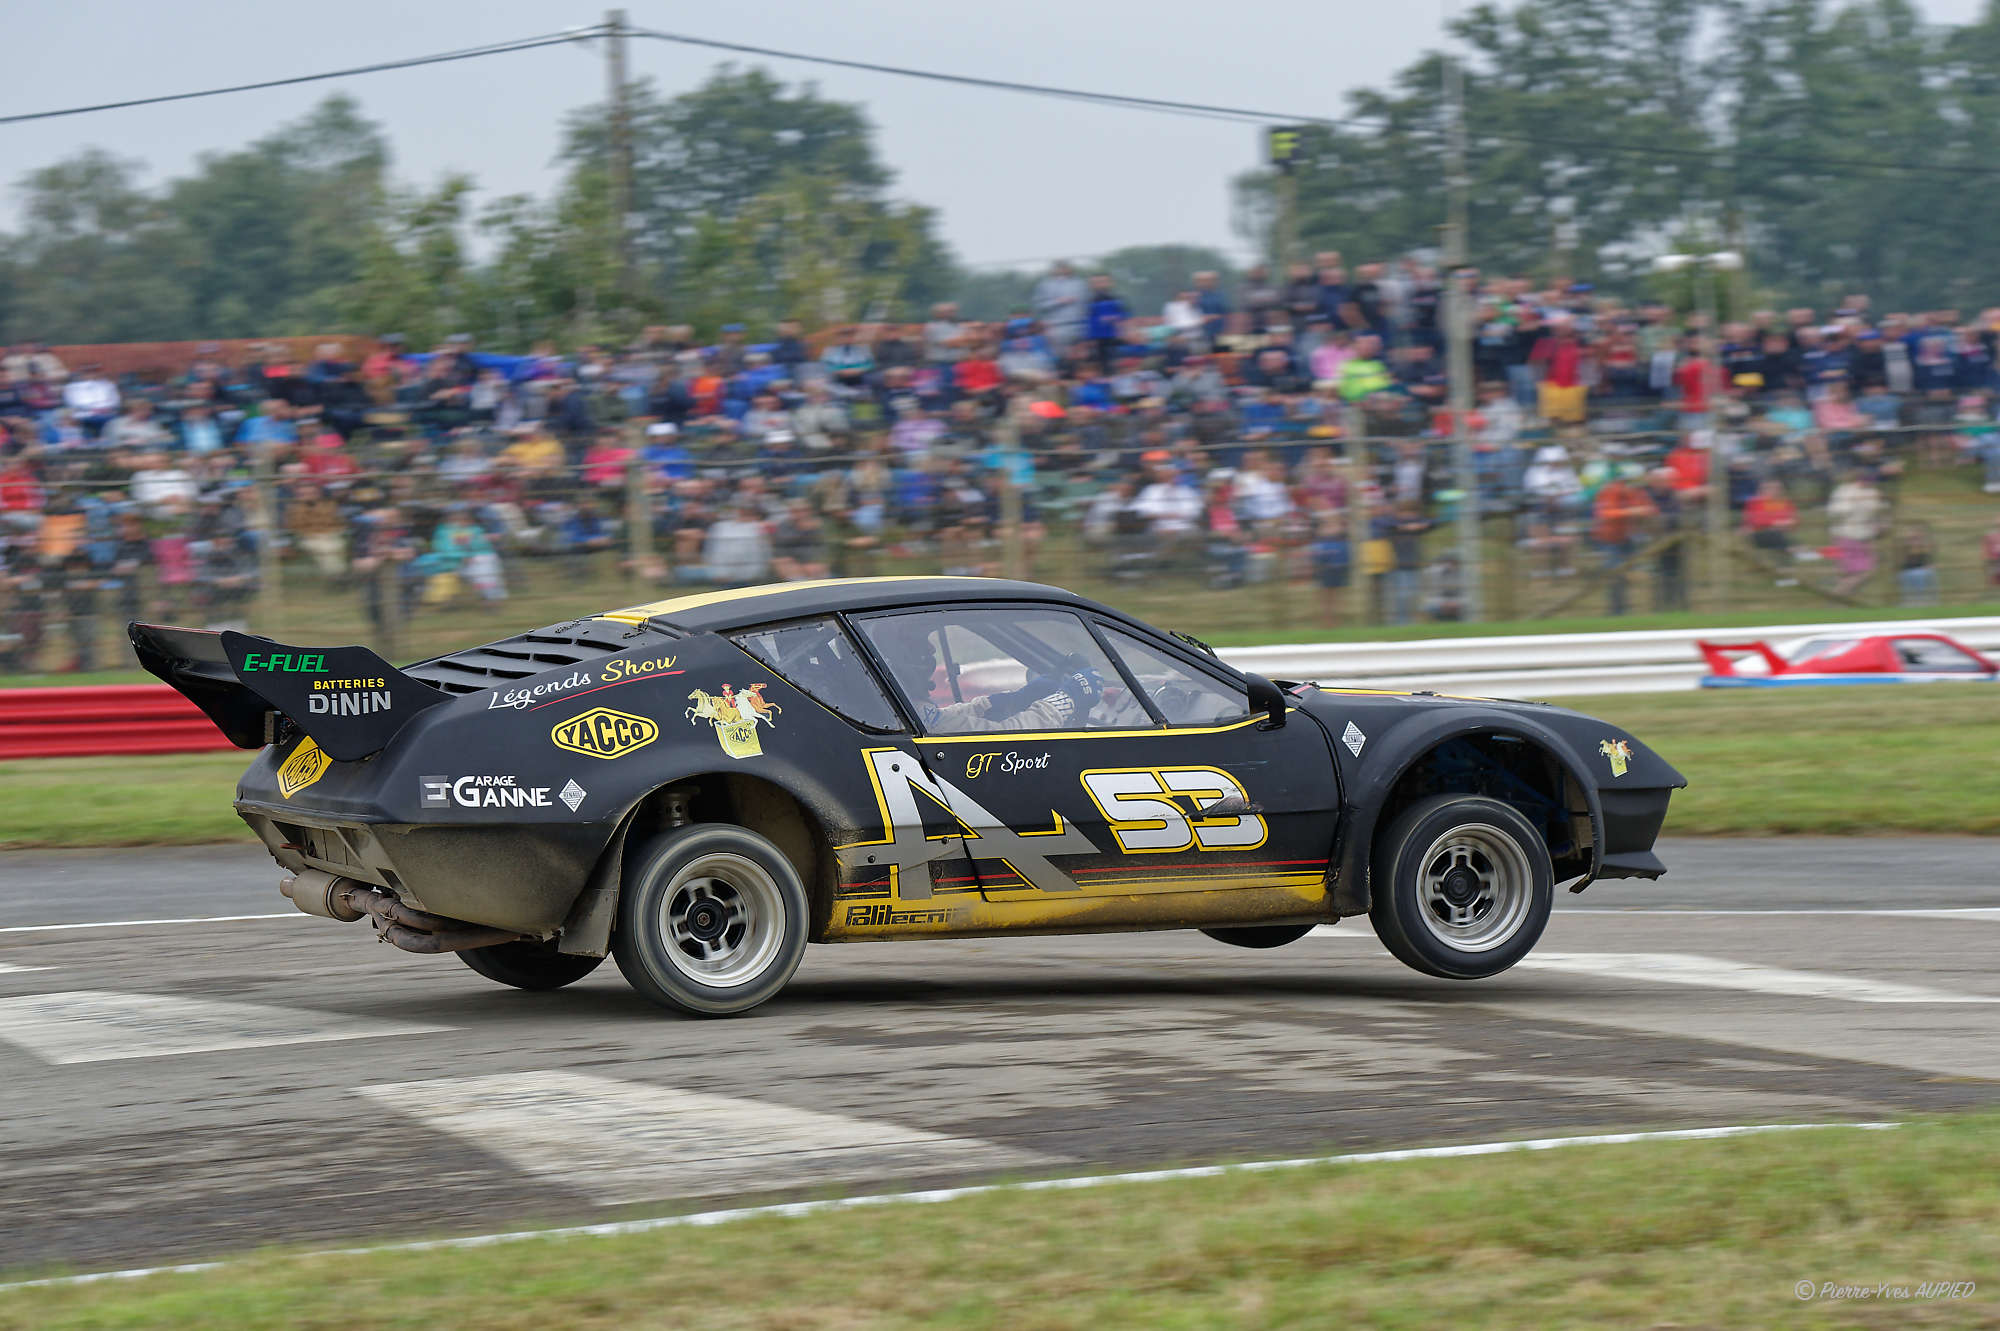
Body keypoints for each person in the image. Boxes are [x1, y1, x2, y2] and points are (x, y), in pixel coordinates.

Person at [877, 618, 1101, 732]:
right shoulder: (897, 714)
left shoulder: (889, 706)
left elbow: (940, 719)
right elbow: (1004, 737)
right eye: (918, 642)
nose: (930, 649)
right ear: (897, 655)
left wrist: (997, 703)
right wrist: (1066, 700)